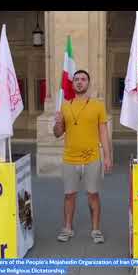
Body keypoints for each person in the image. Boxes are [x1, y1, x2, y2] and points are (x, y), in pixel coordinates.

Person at [53, 70, 112, 244]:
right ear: (72, 84)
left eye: (83, 79)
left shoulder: (98, 105)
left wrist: (107, 157)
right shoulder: (64, 106)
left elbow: (103, 133)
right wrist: (57, 123)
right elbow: (57, 133)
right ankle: (67, 228)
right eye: (76, 79)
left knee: (93, 194)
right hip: (70, 159)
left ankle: (95, 230)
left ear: (88, 83)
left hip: (92, 158)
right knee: (69, 195)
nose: (79, 82)